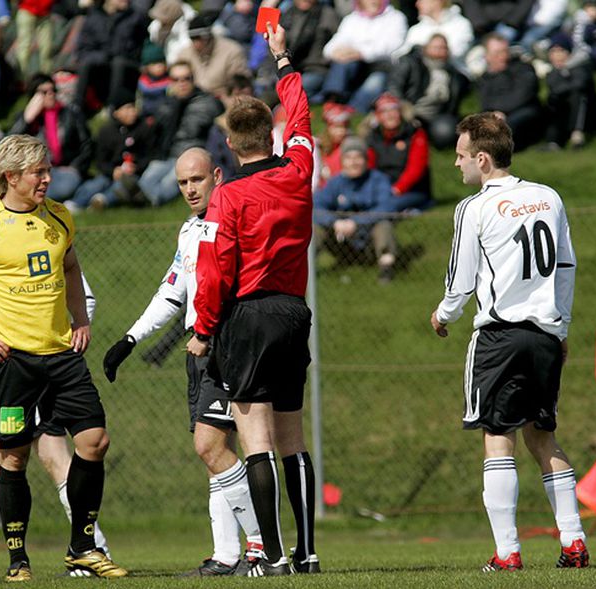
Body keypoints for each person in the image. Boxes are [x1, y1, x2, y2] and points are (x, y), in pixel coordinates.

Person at [0, 134, 127, 581]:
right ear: (10, 177)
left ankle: (82, 548)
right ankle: (18, 559)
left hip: (62, 355)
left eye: (47, 170)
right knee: (13, 459)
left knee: (95, 441)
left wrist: (80, 319)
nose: (47, 179)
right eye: (38, 172)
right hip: (11, 362)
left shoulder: (59, 217)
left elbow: (71, 267)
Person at [430, 112, 588, 572]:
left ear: (482, 158)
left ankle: (507, 552)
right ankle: (574, 543)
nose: (457, 166)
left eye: (461, 157)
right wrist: (560, 329)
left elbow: (460, 280)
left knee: (498, 438)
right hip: (544, 333)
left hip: (499, 335)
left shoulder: (474, 207)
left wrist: (443, 315)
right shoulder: (547, 196)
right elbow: (566, 268)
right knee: (543, 436)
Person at [187, 24, 319, 577]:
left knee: (256, 436)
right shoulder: (299, 171)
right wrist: (283, 58)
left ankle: (271, 552)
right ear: (272, 134)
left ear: (229, 144)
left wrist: (202, 328)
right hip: (293, 312)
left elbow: (215, 270)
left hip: (247, 314)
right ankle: (308, 553)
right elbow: (304, 115)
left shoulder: (228, 197)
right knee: (293, 436)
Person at [103, 148, 264, 576]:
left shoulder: (232, 221)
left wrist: (211, 333)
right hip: (199, 352)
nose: (190, 189)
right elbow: (173, 291)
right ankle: (227, 555)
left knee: (210, 446)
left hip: (225, 348)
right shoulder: (189, 230)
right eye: (182, 183)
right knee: (216, 454)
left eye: (196, 180)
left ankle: (262, 545)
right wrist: (130, 338)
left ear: (216, 175)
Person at [136, 62, 222, 206]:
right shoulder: (167, 104)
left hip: (192, 157)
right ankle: (141, 197)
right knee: (145, 181)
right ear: (170, 82)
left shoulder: (206, 103)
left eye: (186, 79)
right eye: (176, 79)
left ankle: (145, 200)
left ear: (193, 80)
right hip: (168, 155)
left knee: (167, 185)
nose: (181, 83)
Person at [313, 135, 397, 281]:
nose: (353, 163)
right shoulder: (335, 182)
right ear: (342, 161)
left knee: (383, 226)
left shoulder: (378, 180)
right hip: (341, 241)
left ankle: (386, 270)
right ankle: (306, 269)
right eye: (348, 158)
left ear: (366, 160)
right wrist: (334, 222)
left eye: (358, 157)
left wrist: (356, 222)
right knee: (315, 228)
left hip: (368, 240)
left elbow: (386, 207)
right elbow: (316, 207)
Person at [9, 73, 93, 202]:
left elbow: (86, 145)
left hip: (64, 170)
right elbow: (9, 146)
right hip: (35, 172)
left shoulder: (70, 114)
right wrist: (27, 120)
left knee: (69, 183)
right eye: (44, 92)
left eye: (53, 90)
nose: (51, 94)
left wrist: (75, 167)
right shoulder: (25, 118)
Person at [388, 34, 469, 149]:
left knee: (446, 131)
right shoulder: (410, 64)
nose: (439, 51)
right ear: (425, 48)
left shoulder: (454, 75)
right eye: (435, 47)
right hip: (411, 112)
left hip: (437, 117)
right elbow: (394, 88)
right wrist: (405, 111)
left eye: (443, 48)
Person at [476, 33, 543, 151]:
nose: (503, 57)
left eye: (505, 51)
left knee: (506, 127)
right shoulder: (485, 78)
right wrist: (494, 114)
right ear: (487, 56)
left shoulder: (523, 68)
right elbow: (485, 102)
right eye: (497, 53)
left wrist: (502, 112)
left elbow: (524, 95)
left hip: (523, 112)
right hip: (497, 114)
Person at [544, 32, 596, 150]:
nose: (556, 55)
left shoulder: (582, 66)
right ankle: (553, 142)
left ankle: (577, 136)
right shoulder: (553, 72)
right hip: (565, 112)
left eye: (560, 50)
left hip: (589, 115)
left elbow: (580, 84)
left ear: (569, 52)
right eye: (553, 51)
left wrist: (564, 80)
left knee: (577, 94)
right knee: (553, 100)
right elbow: (554, 89)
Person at [177, 13, 251, 97]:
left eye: (198, 38)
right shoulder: (184, 54)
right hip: (192, 101)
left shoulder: (231, 51)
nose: (195, 43)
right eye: (192, 38)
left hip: (223, 101)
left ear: (207, 36)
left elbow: (241, 86)